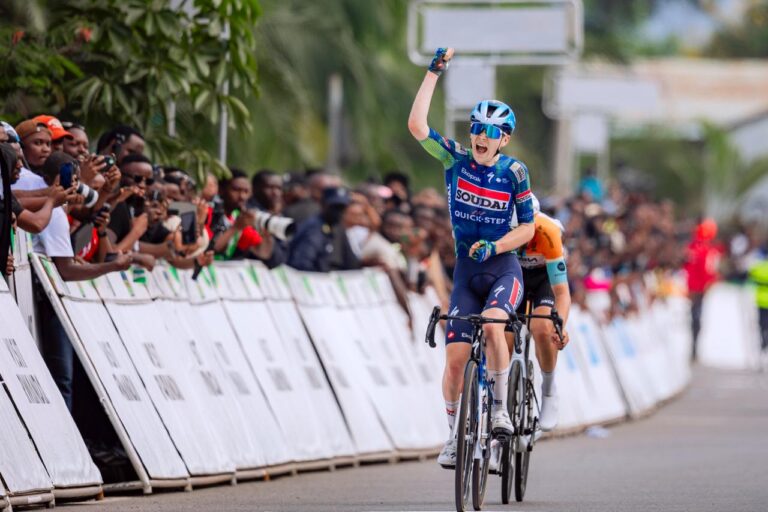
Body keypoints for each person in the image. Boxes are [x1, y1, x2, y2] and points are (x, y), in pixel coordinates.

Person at [408, 47, 536, 468]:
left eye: (492, 131)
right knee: (455, 362)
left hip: (502, 268)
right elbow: (417, 126)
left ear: (505, 138)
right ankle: (451, 437)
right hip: (466, 272)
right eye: (477, 127)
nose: (482, 136)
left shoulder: (513, 172)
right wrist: (433, 73)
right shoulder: (456, 159)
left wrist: (497, 247)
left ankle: (499, 408)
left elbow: (528, 227)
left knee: (497, 327)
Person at [513, 203, 571, 432]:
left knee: (541, 328)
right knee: (503, 335)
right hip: (514, 277)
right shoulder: (499, 228)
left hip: (543, 280)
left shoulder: (548, 231)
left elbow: (562, 293)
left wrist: (560, 326)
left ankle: (548, 390)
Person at [287, 186, 361, 272]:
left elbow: (351, 263)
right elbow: (302, 264)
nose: (339, 212)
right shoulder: (314, 228)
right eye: (335, 207)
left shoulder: (338, 228)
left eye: (342, 208)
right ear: (323, 204)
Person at [747, 248, 768, 366]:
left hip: (761, 302)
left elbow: (749, 275)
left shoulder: (759, 267)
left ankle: (763, 344)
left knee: (762, 326)